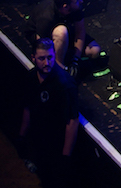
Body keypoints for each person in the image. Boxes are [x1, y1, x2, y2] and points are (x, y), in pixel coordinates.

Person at [19, 38, 79, 187]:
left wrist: (66, 156)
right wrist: (22, 135)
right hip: (39, 138)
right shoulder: (31, 77)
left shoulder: (65, 84)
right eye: (41, 58)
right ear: (33, 58)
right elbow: (27, 107)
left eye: (50, 57)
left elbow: (72, 121)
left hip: (56, 144)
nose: (47, 63)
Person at [25, 0, 100, 78]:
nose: (81, 1)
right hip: (43, 34)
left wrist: (75, 60)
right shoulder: (47, 17)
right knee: (61, 32)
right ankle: (58, 68)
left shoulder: (76, 8)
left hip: (64, 29)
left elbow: (80, 32)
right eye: (76, 1)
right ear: (65, 7)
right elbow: (41, 44)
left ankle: (64, 54)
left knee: (94, 51)